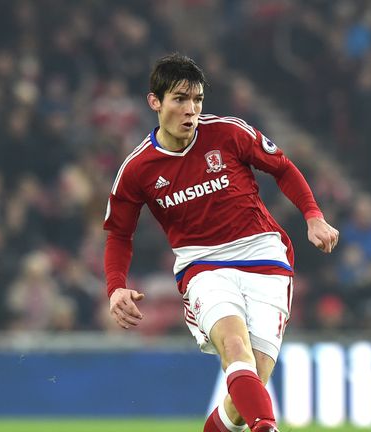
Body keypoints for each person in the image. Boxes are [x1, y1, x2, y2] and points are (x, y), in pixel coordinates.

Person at [103, 53, 339, 432]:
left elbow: (282, 167)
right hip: (204, 265)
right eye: (180, 99)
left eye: (197, 100)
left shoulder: (229, 133)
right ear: (155, 102)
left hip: (264, 255)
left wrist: (313, 216)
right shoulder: (137, 169)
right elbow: (119, 233)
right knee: (234, 348)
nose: (190, 109)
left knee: (249, 388)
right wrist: (116, 287)